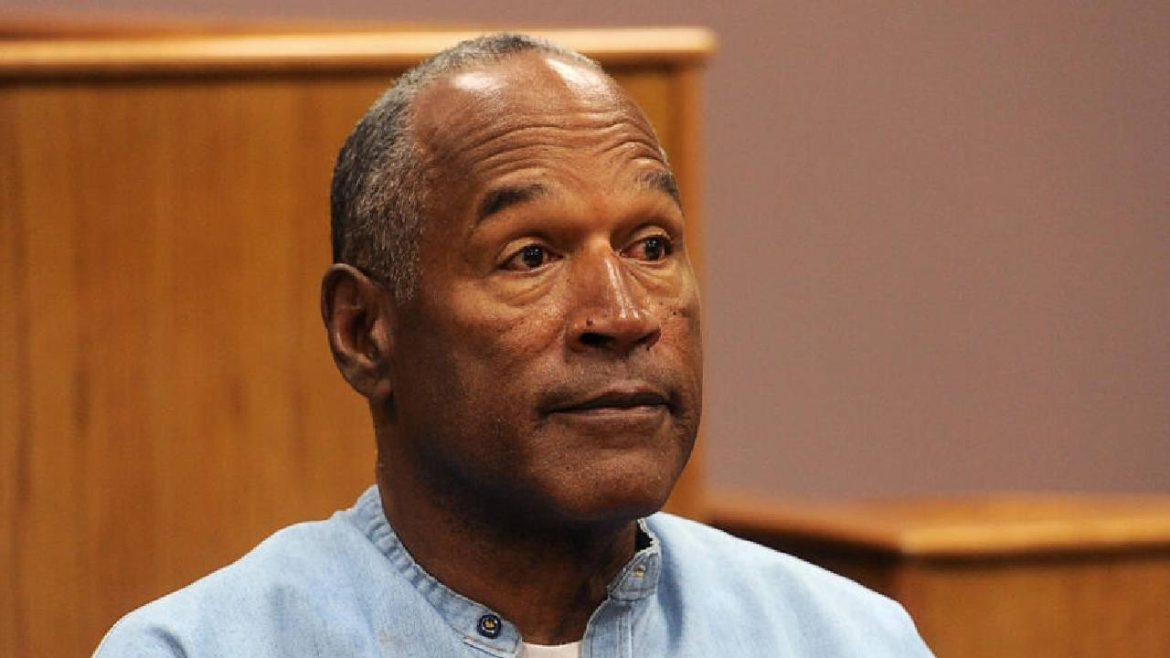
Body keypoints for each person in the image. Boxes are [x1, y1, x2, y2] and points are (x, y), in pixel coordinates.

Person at [95, 33, 933, 657]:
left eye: (651, 246)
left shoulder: (845, 640)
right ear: (363, 333)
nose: (622, 315)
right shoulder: (197, 649)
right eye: (530, 257)